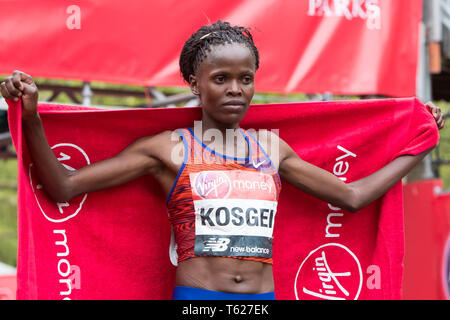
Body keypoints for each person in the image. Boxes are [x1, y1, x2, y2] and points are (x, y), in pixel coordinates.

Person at [0, 20, 445, 300]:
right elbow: (63, 187)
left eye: (245, 78)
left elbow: (351, 196)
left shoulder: (271, 150)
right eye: (221, 78)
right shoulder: (168, 149)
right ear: (195, 84)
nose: (236, 88)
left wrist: (417, 147)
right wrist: (33, 117)